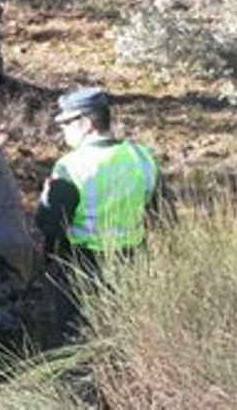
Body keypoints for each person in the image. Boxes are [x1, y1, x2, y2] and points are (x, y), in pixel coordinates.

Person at [35, 87, 166, 343]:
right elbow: (159, 210)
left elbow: (49, 224)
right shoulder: (141, 156)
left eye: (67, 124)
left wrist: (45, 196)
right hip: (133, 261)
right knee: (124, 334)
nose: (63, 131)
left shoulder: (70, 167)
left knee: (77, 339)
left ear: (86, 123)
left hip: (84, 266)